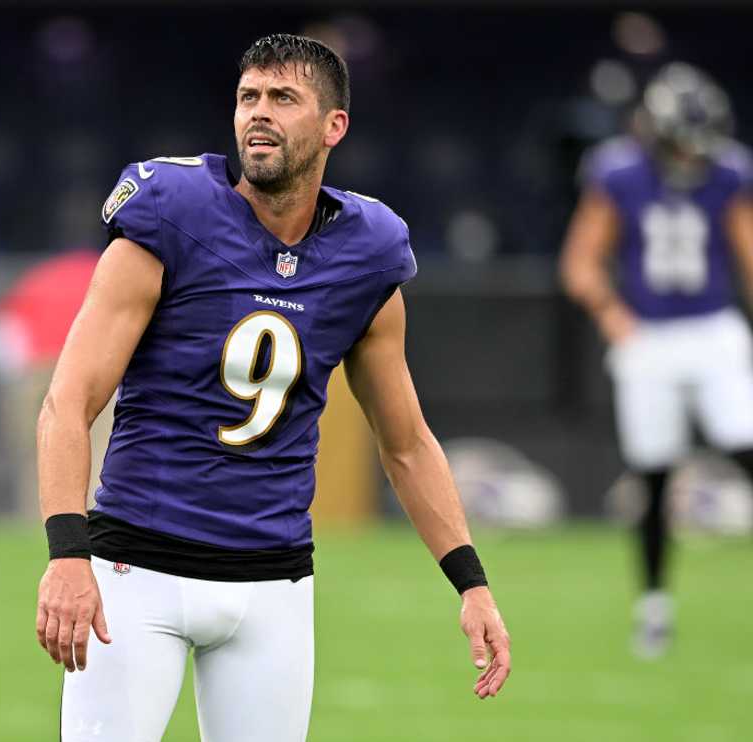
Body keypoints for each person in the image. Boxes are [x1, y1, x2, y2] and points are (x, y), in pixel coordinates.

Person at [36, 34, 511, 741]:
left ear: (333, 126)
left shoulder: (368, 249)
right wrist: (69, 557)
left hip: (274, 582)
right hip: (139, 570)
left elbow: (406, 442)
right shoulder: (171, 211)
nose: (259, 113)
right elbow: (67, 402)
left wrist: (471, 583)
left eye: (283, 99)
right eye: (248, 97)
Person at [560, 62, 753, 659]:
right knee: (654, 471)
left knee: (745, 440)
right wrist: (613, 316)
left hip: (713, 327)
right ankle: (654, 607)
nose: (691, 157)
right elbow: (581, 262)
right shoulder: (618, 172)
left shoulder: (729, 172)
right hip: (649, 335)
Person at [0, 247, 111, 518]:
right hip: (95, 371)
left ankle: (36, 522)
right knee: (100, 455)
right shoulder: (108, 271)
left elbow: (1, 337)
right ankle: (94, 524)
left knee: (37, 457)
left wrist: (15, 380)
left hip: (36, 372)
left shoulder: (38, 278)